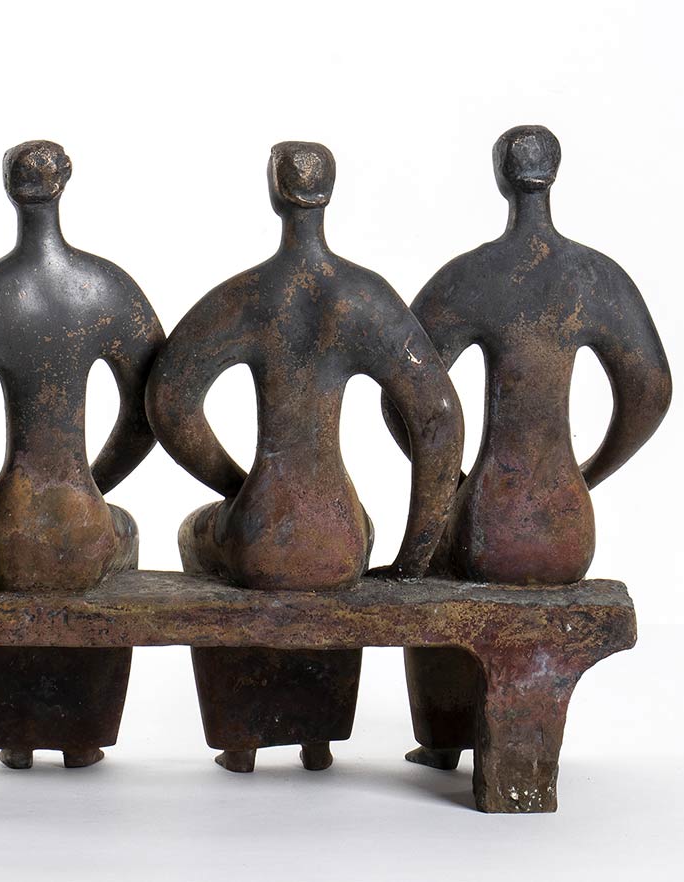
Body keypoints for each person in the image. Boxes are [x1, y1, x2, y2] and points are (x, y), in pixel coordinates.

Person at [147, 142, 463, 772]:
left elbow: (169, 401)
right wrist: (413, 559)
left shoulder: (247, 295)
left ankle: (240, 742)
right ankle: (316, 741)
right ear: (328, 196)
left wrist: (238, 487)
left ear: (275, 194)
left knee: (196, 536)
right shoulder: (363, 297)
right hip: (337, 532)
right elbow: (440, 420)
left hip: (262, 528)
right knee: (351, 543)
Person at [383, 125, 673, 770]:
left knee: (434, 558)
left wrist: (456, 483)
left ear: (501, 178)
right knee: (451, 548)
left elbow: (406, 400)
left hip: (489, 517)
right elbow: (651, 392)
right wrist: (586, 476)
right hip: (564, 526)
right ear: (553, 176)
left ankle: (442, 740)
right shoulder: (597, 277)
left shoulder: (470, 276)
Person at [0, 140, 165, 769]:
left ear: (9, 189)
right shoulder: (106, 288)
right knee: (123, 534)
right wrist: (95, 484)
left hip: (12, 520)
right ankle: (83, 736)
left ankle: (15, 736)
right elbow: (152, 410)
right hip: (85, 519)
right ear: (64, 183)